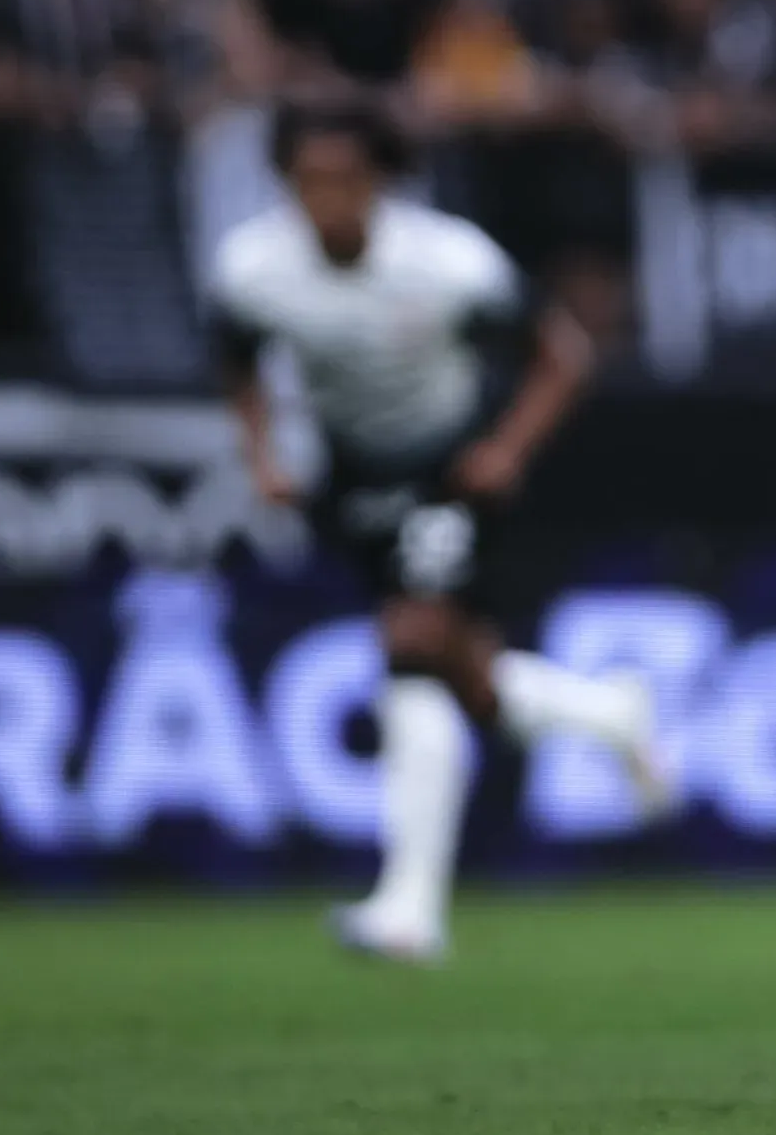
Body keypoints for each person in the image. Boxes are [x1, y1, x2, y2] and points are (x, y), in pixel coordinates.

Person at [211, 101, 671, 964]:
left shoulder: (447, 262)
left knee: (411, 639)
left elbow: (564, 355)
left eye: (348, 179)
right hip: (352, 480)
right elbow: (237, 360)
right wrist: (262, 454)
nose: (330, 198)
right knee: (440, 673)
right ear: (284, 184)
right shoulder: (253, 268)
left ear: (382, 182)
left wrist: (506, 451)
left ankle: (409, 909)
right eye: (310, 180)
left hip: (449, 468)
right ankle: (607, 713)